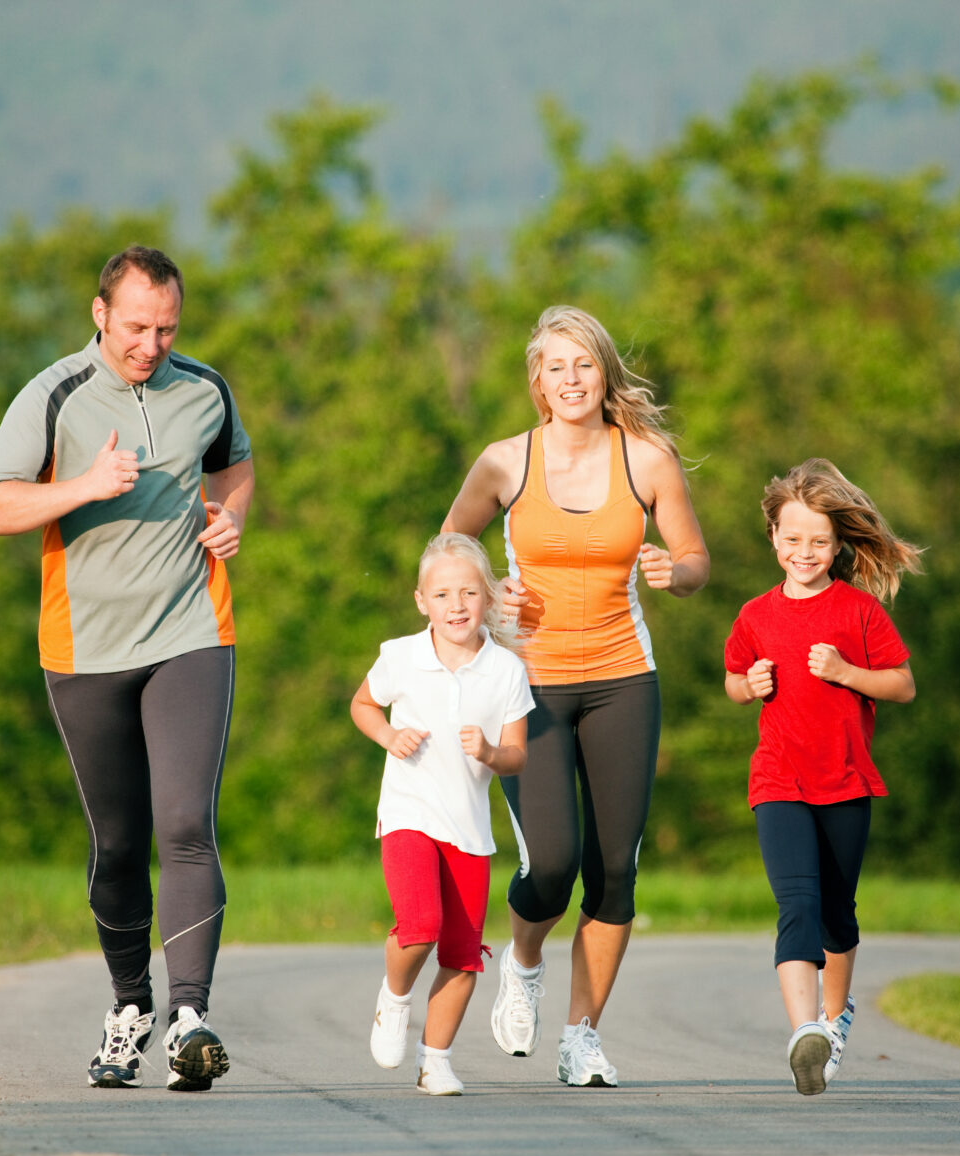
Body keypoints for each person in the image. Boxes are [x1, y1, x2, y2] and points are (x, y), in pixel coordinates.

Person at [0, 245, 254, 1091]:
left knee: (186, 824)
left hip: (189, 633)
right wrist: (83, 486)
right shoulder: (53, 394)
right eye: (136, 326)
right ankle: (131, 1008)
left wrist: (232, 517)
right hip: (85, 648)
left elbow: (234, 462)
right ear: (100, 314)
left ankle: (191, 1019)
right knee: (121, 843)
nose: (151, 344)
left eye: (167, 327)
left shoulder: (204, 388)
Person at [442, 305, 709, 1086]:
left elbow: (694, 558)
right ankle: (523, 960)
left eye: (584, 365)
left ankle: (581, 1035)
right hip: (528, 686)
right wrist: (490, 598)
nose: (570, 380)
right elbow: (447, 556)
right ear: (537, 381)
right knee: (551, 864)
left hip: (625, 678)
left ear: (604, 375)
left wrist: (674, 572)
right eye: (555, 367)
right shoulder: (504, 463)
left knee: (615, 870)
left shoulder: (647, 460)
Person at [722, 458, 922, 1095]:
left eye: (818, 540)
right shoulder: (755, 615)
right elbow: (732, 678)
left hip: (845, 781)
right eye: (792, 538)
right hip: (778, 780)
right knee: (798, 907)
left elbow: (902, 685)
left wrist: (845, 673)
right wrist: (746, 686)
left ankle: (834, 1019)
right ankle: (805, 1032)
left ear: (837, 546)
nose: (804, 551)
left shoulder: (858, 612)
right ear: (774, 539)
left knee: (838, 913)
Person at [351, 533, 534, 1096]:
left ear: (489, 599)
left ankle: (436, 1061)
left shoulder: (506, 670)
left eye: (470, 593)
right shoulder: (399, 656)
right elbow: (362, 704)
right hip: (407, 812)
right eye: (443, 594)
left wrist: (489, 752)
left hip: (469, 828)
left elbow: (517, 755)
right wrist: (387, 734)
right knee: (420, 925)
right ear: (421, 601)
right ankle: (394, 997)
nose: (457, 605)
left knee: (462, 953)